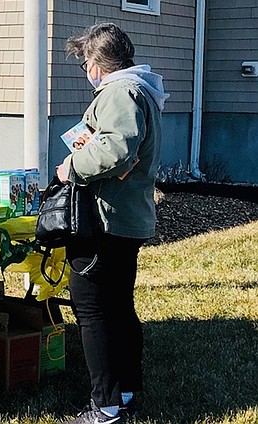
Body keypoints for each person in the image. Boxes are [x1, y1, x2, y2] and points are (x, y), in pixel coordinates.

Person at [59, 22, 168, 424]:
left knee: (93, 311)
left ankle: (104, 407)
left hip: (107, 222)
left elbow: (117, 150)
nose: (85, 69)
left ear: (100, 63)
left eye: (86, 61)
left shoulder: (120, 91)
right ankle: (125, 394)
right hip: (127, 218)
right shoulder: (141, 89)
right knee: (120, 309)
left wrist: (70, 167)